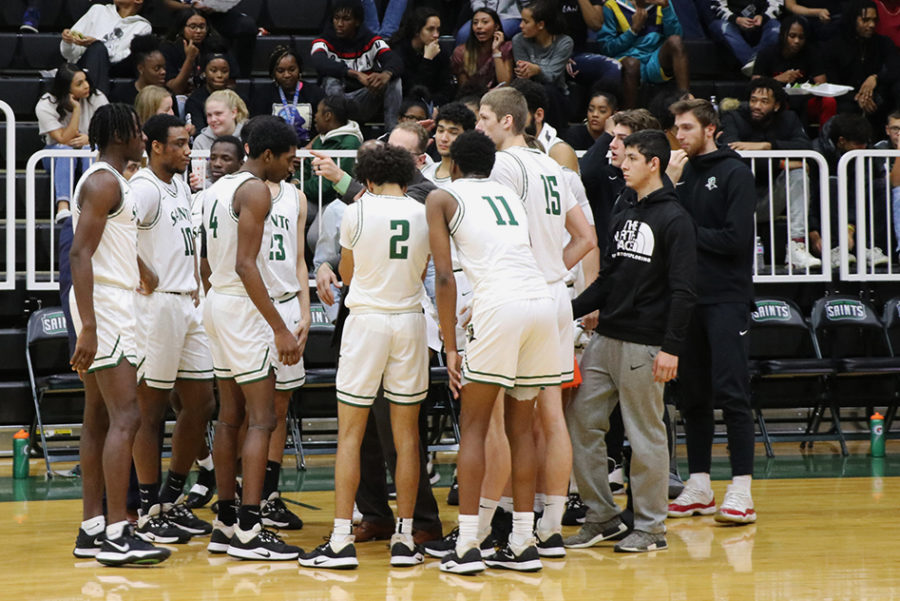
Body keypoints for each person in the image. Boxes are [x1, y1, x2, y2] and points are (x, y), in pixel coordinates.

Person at [426, 130, 561, 574]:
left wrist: (449, 345)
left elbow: (444, 279)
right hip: (540, 304)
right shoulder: (509, 196)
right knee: (522, 429)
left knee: (476, 428)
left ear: (455, 165)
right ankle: (523, 541)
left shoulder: (442, 197)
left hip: (499, 307)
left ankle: (467, 545)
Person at [475, 87, 596, 562]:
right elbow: (586, 238)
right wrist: (552, 269)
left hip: (517, 293)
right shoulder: (553, 164)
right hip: (555, 295)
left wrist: (528, 273)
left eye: (484, 117)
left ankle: (498, 520)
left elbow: (500, 234)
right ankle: (549, 526)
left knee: (508, 415)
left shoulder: (503, 165)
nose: (478, 126)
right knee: (551, 414)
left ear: (508, 121)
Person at [299, 142, 430, 570]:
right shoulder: (423, 212)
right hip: (410, 322)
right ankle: (406, 539)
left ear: (367, 179)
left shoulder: (356, 211)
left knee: (352, 433)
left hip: (368, 321)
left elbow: (349, 275)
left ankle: (340, 540)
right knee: (407, 435)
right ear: (406, 177)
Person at [565, 129, 697, 552]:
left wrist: (672, 347)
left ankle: (651, 528)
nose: (622, 163)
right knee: (581, 423)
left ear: (653, 163)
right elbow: (606, 281)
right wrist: (559, 309)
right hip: (605, 338)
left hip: (646, 344)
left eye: (632, 158)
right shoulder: (623, 210)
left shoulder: (675, 219)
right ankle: (601, 516)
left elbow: (684, 291)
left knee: (645, 436)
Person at [69, 102, 169, 566]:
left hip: (112, 296)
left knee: (100, 418)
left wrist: (142, 269)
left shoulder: (113, 181)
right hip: (103, 305)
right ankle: (116, 530)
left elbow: (110, 244)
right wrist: (89, 326)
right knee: (127, 416)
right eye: (137, 131)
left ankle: (92, 528)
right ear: (121, 135)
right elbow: (80, 255)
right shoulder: (104, 180)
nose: (143, 137)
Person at [201, 116, 303, 560]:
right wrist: (279, 326)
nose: (290, 167)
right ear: (267, 156)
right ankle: (249, 526)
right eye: (287, 159)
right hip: (244, 307)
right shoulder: (257, 190)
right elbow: (247, 265)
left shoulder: (214, 189)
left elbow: (208, 265)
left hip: (217, 303)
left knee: (229, 416)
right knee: (261, 419)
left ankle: (224, 522)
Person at [667, 98, 758, 525]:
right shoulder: (682, 176)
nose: (679, 135)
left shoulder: (735, 172)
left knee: (732, 393)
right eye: (677, 128)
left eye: (686, 128)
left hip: (726, 298)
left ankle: (741, 487)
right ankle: (699, 484)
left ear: (710, 129)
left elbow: (735, 239)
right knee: (693, 396)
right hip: (688, 300)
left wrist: (685, 229)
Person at [129, 114, 215, 543]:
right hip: (156, 307)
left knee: (201, 403)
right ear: (156, 146)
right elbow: (114, 231)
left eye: (188, 143)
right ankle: (147, 509)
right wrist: (142, 269)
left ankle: (172, 496)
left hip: (188, 302)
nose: (187, 150)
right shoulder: (143, 187)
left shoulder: (180, 184)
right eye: (179, 144)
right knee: (151, 409)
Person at [718, 77, 821, 270]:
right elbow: (730, 152)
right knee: (794, 166)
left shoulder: (789, 119)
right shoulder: (733, 117)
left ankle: (796, 247)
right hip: (738, 200)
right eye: (753, 99)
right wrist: (781, 163)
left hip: (771, 198)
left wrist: (768, 146)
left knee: (798, 173)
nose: (756, 106)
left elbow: (805, 146)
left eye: (764, 101)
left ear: (776, 106)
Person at [310, 0, 404, 131]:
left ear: (357, 22)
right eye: (336, 18)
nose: (339, 24)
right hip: (336, 102)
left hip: (365, 99)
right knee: (331, 81)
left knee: (394, 80)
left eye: (346, 19)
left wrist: (386, 74)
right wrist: (355, 74)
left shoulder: (371, 40)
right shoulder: (324, 40)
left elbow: (395, 60)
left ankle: (392, 134)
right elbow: (318, 61)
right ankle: (338, 133)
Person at [35, 63, 109, 223]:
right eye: (79, 84)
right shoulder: (46, 104)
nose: (86, 86)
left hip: (88, 147)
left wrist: (90, 138)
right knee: (64, 149)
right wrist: (76, 109)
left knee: (91, 148)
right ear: (66, 89)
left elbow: (109, 129)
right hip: (54, 153)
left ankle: (92, 204)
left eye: (86, 80)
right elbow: (64, 138)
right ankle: (63, 206)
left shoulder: (96, 97)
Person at [596, 0, 689, 108]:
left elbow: (677, 36)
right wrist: (633, 30)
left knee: (675, 41)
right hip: (628, 60)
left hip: (654, 61)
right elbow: (607, 48)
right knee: (632, 63)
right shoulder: (613, 5)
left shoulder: (662, 3)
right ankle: (629, 117)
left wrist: (666, 8)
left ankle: (686, 101)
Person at [751, 15, 833, 126]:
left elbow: (822, 83)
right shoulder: (767, 53)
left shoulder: (812, 53)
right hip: (777, 100)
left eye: (801, 37)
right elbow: (755, 85)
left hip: (805, 99)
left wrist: (810, 87)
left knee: (829, 101)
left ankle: (826, 139)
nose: (797, 41)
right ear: (783, 34)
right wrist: (778, 80)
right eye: (792, 36)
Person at [825, 0, 900, 118]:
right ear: (853, 20)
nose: (872, 25)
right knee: (846, 109)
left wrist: (875, 78)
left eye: (874, 20)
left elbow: (895, 68)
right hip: (848, 98)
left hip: (879, 95)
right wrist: (859, 98)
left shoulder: (883, 42)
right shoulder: (835, 46)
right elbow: (833, 84)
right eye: (865, 20)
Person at [61, 0, 152, 96]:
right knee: (96, 48)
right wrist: (68, 42)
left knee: (98, 48)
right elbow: (69, 54)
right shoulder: (97, 11)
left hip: (112, 70)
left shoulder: (142, 27)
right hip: (82, 67)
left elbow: (125, 57)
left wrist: (96, 44)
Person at [299, 95, 364, 222]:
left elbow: (327, 187)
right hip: (312, 198)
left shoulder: (350, 142)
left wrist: (298, 187)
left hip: (336, 201)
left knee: (313, 236)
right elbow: (304, 168)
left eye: (317, 111)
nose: (315, 116)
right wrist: (297, 182)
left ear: (328, 116)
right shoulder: (320, 139)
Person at [511, 0, 575, 130]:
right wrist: (526, 71)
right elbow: (523, 76)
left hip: (556, 95)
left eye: (526, 22)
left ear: (540, 25)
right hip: (528, 91)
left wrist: (537, 70)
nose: (520, 26)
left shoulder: (564, 42)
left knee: (548, 90)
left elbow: (552, 76)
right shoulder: (518, 40)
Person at [249, 45, 325, 148]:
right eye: (280, 71)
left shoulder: (315, 93)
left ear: (300, 69)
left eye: (292, 69)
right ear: (273, 73)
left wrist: (306, 151)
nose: (287, 75)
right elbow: (257, 129)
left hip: (309, 152)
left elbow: (325, 129)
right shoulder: (263, 94)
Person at [162, 0, 257, 78]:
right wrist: (191, 7)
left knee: (248, 26)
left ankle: (242, 79)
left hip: (220, 13)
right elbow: (169, 2)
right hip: (186, 10)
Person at [389, 8, 456, 106]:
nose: (436, 35)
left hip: (434, 105)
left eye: (438, 30)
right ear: (417, 31)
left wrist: (434, 105)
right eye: (430, 29)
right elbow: (412, 90)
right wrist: (427, 60)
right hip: (406, 105)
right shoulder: (400, 52)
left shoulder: (440, 51)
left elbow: (446, 89)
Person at [162, 8, 232, 95]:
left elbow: (231, 83)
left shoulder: (216, 46)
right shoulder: (168, 49)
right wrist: (190, 59)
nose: (198, 31)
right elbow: (176, 89)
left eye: (202, 27)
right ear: (181, 28)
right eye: (193, 27)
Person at [450, 8, 514, 95]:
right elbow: (463, 89)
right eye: (475, 23)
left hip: (499, 97)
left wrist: (496, 51)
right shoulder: (461, 51)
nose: (479, 26)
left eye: (485, 22)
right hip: (473, 98)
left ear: (496, 27)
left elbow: (505, 84)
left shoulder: (506, 48)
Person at [710, 0, 782, 74]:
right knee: (722, 27)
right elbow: (717, 6)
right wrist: (736, 19)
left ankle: (753, 64)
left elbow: (778, 4)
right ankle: (757, 66)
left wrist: (763, 17)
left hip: (763, 19)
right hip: (731, 20)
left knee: (777, 29)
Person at [422, 102, 477, 185]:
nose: (444, 138)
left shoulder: (470, 180)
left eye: (453, 133)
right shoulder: (424, 172)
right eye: (440, 131)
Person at [109, 34, 167, 105]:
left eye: (164, 67)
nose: (163, 72)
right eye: (157, 68)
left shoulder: (167, 95)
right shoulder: (120, 95)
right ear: (141, 69)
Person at [184, 52, 232, 131]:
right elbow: (198, 130)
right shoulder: (195, 100)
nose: (219, 75)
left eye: (224, 71)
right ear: (204, 73)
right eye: (213, 70)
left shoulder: (237, 98)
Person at [456, 0, 523, 43]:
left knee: (498, 31)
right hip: (483, 14)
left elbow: (527, 4)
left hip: (509, 16)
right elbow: (476, 1)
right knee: (463, 34)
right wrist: (483, 12)